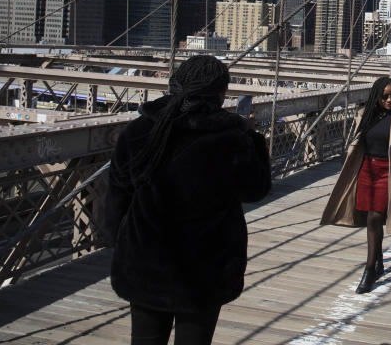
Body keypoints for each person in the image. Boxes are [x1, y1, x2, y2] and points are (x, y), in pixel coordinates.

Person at [104, 55, 271, 345]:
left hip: (146, 264)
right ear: (220, 94)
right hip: (205, 270)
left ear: (176, 84)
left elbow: (118, 196)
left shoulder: (139, 131)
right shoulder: (232, 139)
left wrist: (120, 243)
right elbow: (255, 190)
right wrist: (253, 138)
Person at [321, 77, 391, 294]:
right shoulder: (365, 115)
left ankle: (369, 270)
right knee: (370, 219)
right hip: (366, 170)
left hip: (389, 172)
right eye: (385, 96)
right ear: (376, 96)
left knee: (375, 216)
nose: (390, 99)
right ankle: (379, 259)